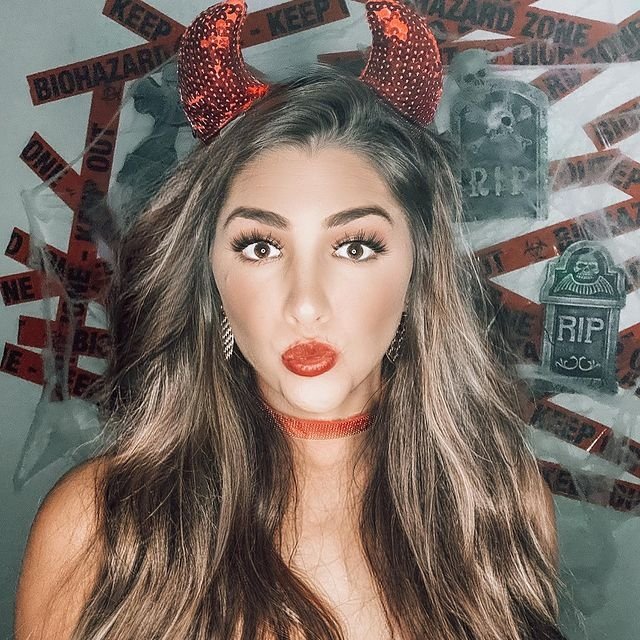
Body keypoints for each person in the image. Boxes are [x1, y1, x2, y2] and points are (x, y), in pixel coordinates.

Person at [14, 1, 563, 638]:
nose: (305, 303)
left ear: (419, 271)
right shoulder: (98, 528)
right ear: (209, 275)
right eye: (260, 247)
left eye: (355, 247)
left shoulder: (498, 508)